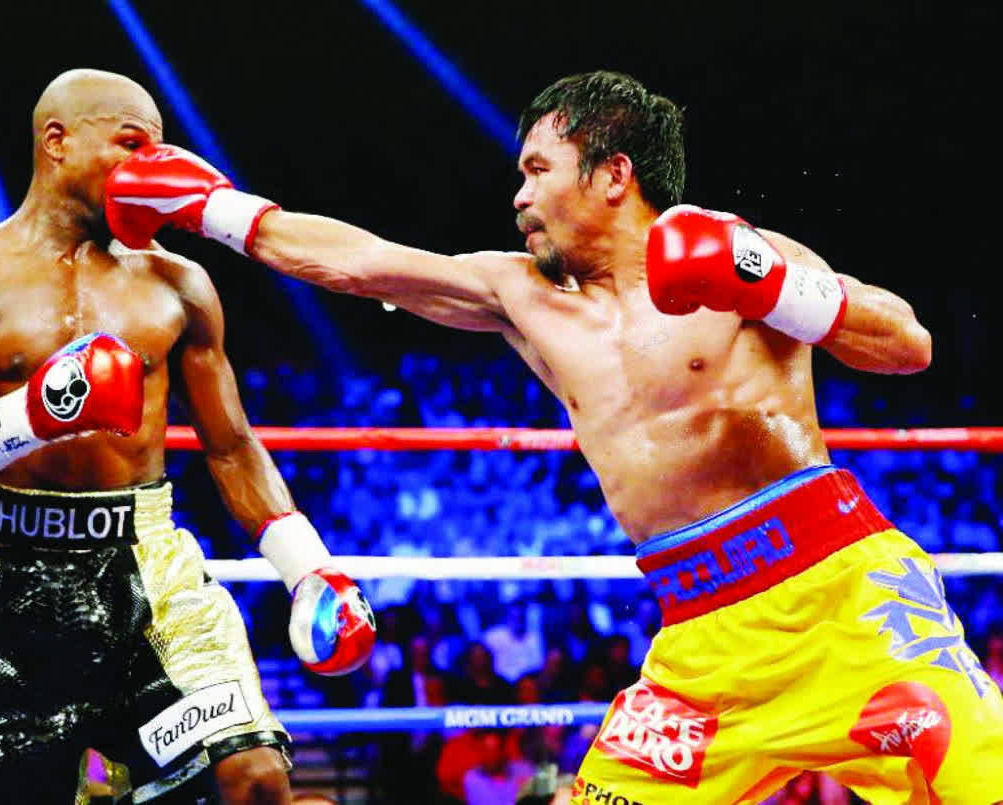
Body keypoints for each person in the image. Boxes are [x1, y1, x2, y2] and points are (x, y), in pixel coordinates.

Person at [103, 68, 1003, 802]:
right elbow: (361, 263)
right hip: (698, 646)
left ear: (612, 174)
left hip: (846, 604)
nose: (518, 193)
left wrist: (767, 283)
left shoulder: (740, 250)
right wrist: (211, 208)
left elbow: (906, 343)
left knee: (980, 777)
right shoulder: (522, 298)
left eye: (538, 168)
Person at [0, 68, 376, 805]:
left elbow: (230, 445)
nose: (150, 169)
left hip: (147, 571)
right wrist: (36, 412)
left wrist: (308, 566)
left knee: (255, 781)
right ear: (56, 141)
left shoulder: (179, 282)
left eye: (159, 150)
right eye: (130, 145)